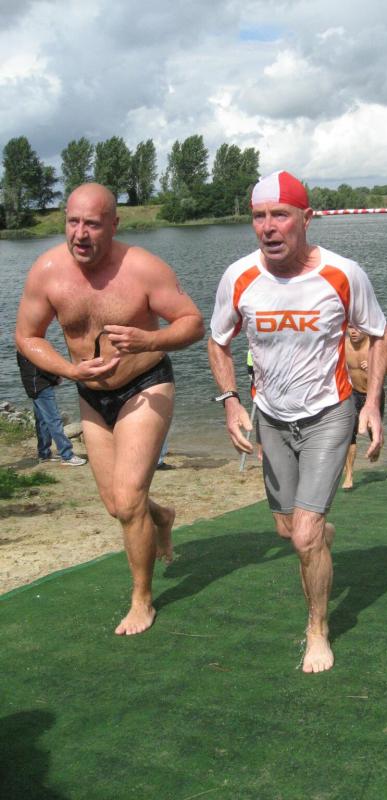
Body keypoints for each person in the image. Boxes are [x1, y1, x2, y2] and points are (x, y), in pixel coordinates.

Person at [208, 170, 387, 673]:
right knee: (289, 530)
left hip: (329, 412)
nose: (268, 227)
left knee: (305, 535)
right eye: (259, 217)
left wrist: (372, 403)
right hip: (271, 417)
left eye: (280, 215)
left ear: (306, 218)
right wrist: (230, 401)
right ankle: (318, 535)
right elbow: (217, 341)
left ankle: (317, 630)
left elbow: (378, 333)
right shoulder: (239, 276)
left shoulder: (342, 273)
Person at [15, 182, 205, 636]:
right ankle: (161, 516)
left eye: (92, 224)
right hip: (91, 393)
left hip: (145, 386)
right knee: (116, 504)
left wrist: (150, 339)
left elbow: (193, 323)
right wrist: (69, 369)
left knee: (128, 497)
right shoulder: (47, 271)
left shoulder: (142, 269)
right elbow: (27, 335)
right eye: (72, 222)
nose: (80, 234)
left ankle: (142, 600)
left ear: (114, 225)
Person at [341, 326, 387, 490]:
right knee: (349, 434)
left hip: (373, 395)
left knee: (373, 431)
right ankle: (349, 475)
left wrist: (374, 367)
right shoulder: (342, 345)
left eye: (357, 328)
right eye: (350, 327)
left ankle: (376, 444)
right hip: (353, 393)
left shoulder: (374, 345)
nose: (353, 331)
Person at [16, 352, 87, 466]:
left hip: (33, 387)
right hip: (41, 386)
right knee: (54, 420)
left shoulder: (22, 349)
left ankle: (44, 454)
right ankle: (67, 455)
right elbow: (43, 366)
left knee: (42, 421)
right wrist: (56, 378)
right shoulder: (32, 349)